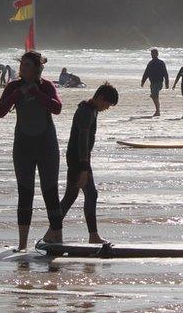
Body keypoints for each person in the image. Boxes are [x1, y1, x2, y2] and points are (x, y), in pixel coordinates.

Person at [0, 51, 63, 250]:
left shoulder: (46, 86)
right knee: (25, 193)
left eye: (27, 65)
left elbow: (57, 108)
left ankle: (58, 238)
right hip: (23, 146)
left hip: (47, 145)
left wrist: (36, 93)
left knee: (50, 191)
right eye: (22, 65)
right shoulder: (14, 86)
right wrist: (17, 94)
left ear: (37, 69)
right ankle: (22, 245)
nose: (22, 68)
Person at [60, 83, 119, 244]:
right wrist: (84, 167)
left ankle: (52, 231)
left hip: (80, 158)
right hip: (78, 159)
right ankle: (93, 236)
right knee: (90, 194)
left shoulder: (91, 110)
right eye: (107, 104)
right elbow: (82, 140)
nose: (107, 108)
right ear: (100, 98)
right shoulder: (86, 112)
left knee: (71, 197)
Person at [140, 49, 169, 117]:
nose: (152, 55)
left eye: (153, 53)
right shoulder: (150, 63)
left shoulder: (161, 63)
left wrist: (167, 83)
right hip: (152, 83)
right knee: (155, 96)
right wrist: (143, 81)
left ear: (157, 54)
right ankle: (158, 110)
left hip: (159, 82)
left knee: (154, 95)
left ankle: (158, 111)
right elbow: (146, 72)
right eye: (151, 54)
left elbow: (165, 73)